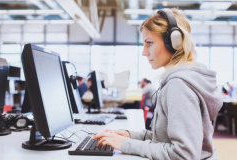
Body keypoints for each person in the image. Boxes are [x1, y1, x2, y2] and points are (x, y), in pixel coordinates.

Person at [92, 8, 222, 160]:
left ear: (174, 42)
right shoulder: (181, 80)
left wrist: (126, 144)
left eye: (149, 43)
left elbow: (184, 154)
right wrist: (128, 136)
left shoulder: (179, 86)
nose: (144, 52)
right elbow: (163, 138)